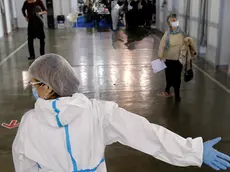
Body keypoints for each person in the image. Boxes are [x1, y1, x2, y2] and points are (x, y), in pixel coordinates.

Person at [13, 54, 230, 171]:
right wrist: (194, 151)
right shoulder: (97, 113)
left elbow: (24, 166)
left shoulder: (29, 123)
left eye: (35, 83)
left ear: (49, 86)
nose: (32, 87)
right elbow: (146, 134)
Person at [158, 13, 186, 102]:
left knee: (177, 77)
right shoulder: (167, 34)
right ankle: (167, 89)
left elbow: (185, 44)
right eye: (172, 20)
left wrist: (184, 54)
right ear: (169, 23)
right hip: (168, 59)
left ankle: (177, 94)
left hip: (178, 60)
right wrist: (160, 56)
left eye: (175, 20)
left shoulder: (182, 33)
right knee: (169, 76)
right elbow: (162, 45)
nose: (175, 22)